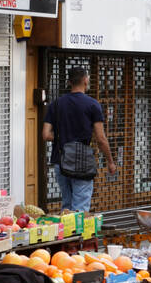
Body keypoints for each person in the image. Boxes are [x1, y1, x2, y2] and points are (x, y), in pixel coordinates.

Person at [42, 68, 117, 212]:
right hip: (82, 161)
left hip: (60, 160)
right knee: (81, 208)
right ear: (85, 80)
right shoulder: (92, 104)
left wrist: (63, 138)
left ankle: (68, 234)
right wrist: (110, 161)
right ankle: (79, 233)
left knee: (67, 205)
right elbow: (101, 138)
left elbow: (45, 134)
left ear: (69, 82)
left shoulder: (56, 104)